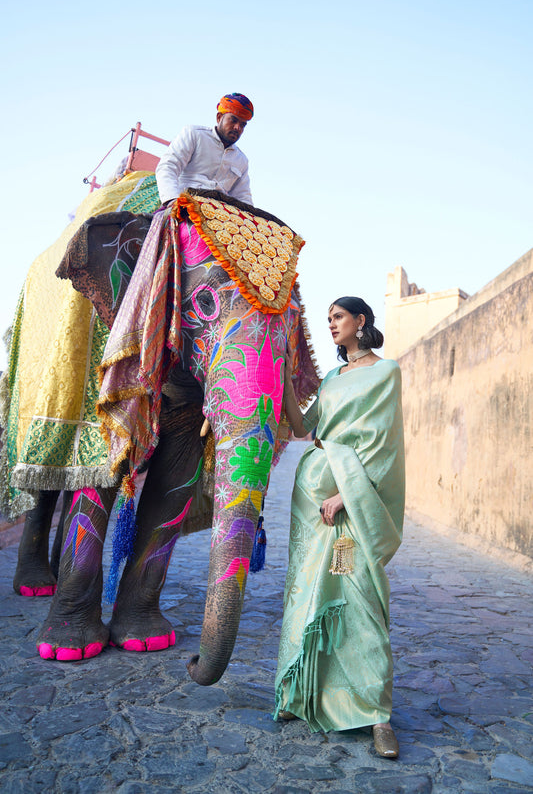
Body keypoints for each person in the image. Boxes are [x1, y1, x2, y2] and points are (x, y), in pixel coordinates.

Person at [274, 296, 405, 759]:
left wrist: (346, 494)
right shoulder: (331, 378)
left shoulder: (385, 373)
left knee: (359, 595)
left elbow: (383, 447)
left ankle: (376, 714)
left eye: (338, 317)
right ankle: (300, 692)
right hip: (310, 502)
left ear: (360, 321)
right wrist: (285, 381)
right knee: (309, 590)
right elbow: (301, 429)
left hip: (348, 506)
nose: (331, 324)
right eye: (328, 318)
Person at [155, 93, 254, 206]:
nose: (237, 128)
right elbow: (168, 167)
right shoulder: (194, 134)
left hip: (219, 213)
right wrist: (172, 201)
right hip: (185, 202)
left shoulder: (241, 160)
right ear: (219, 117)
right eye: (233, 120)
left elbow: (243, 198)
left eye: (243, 125)